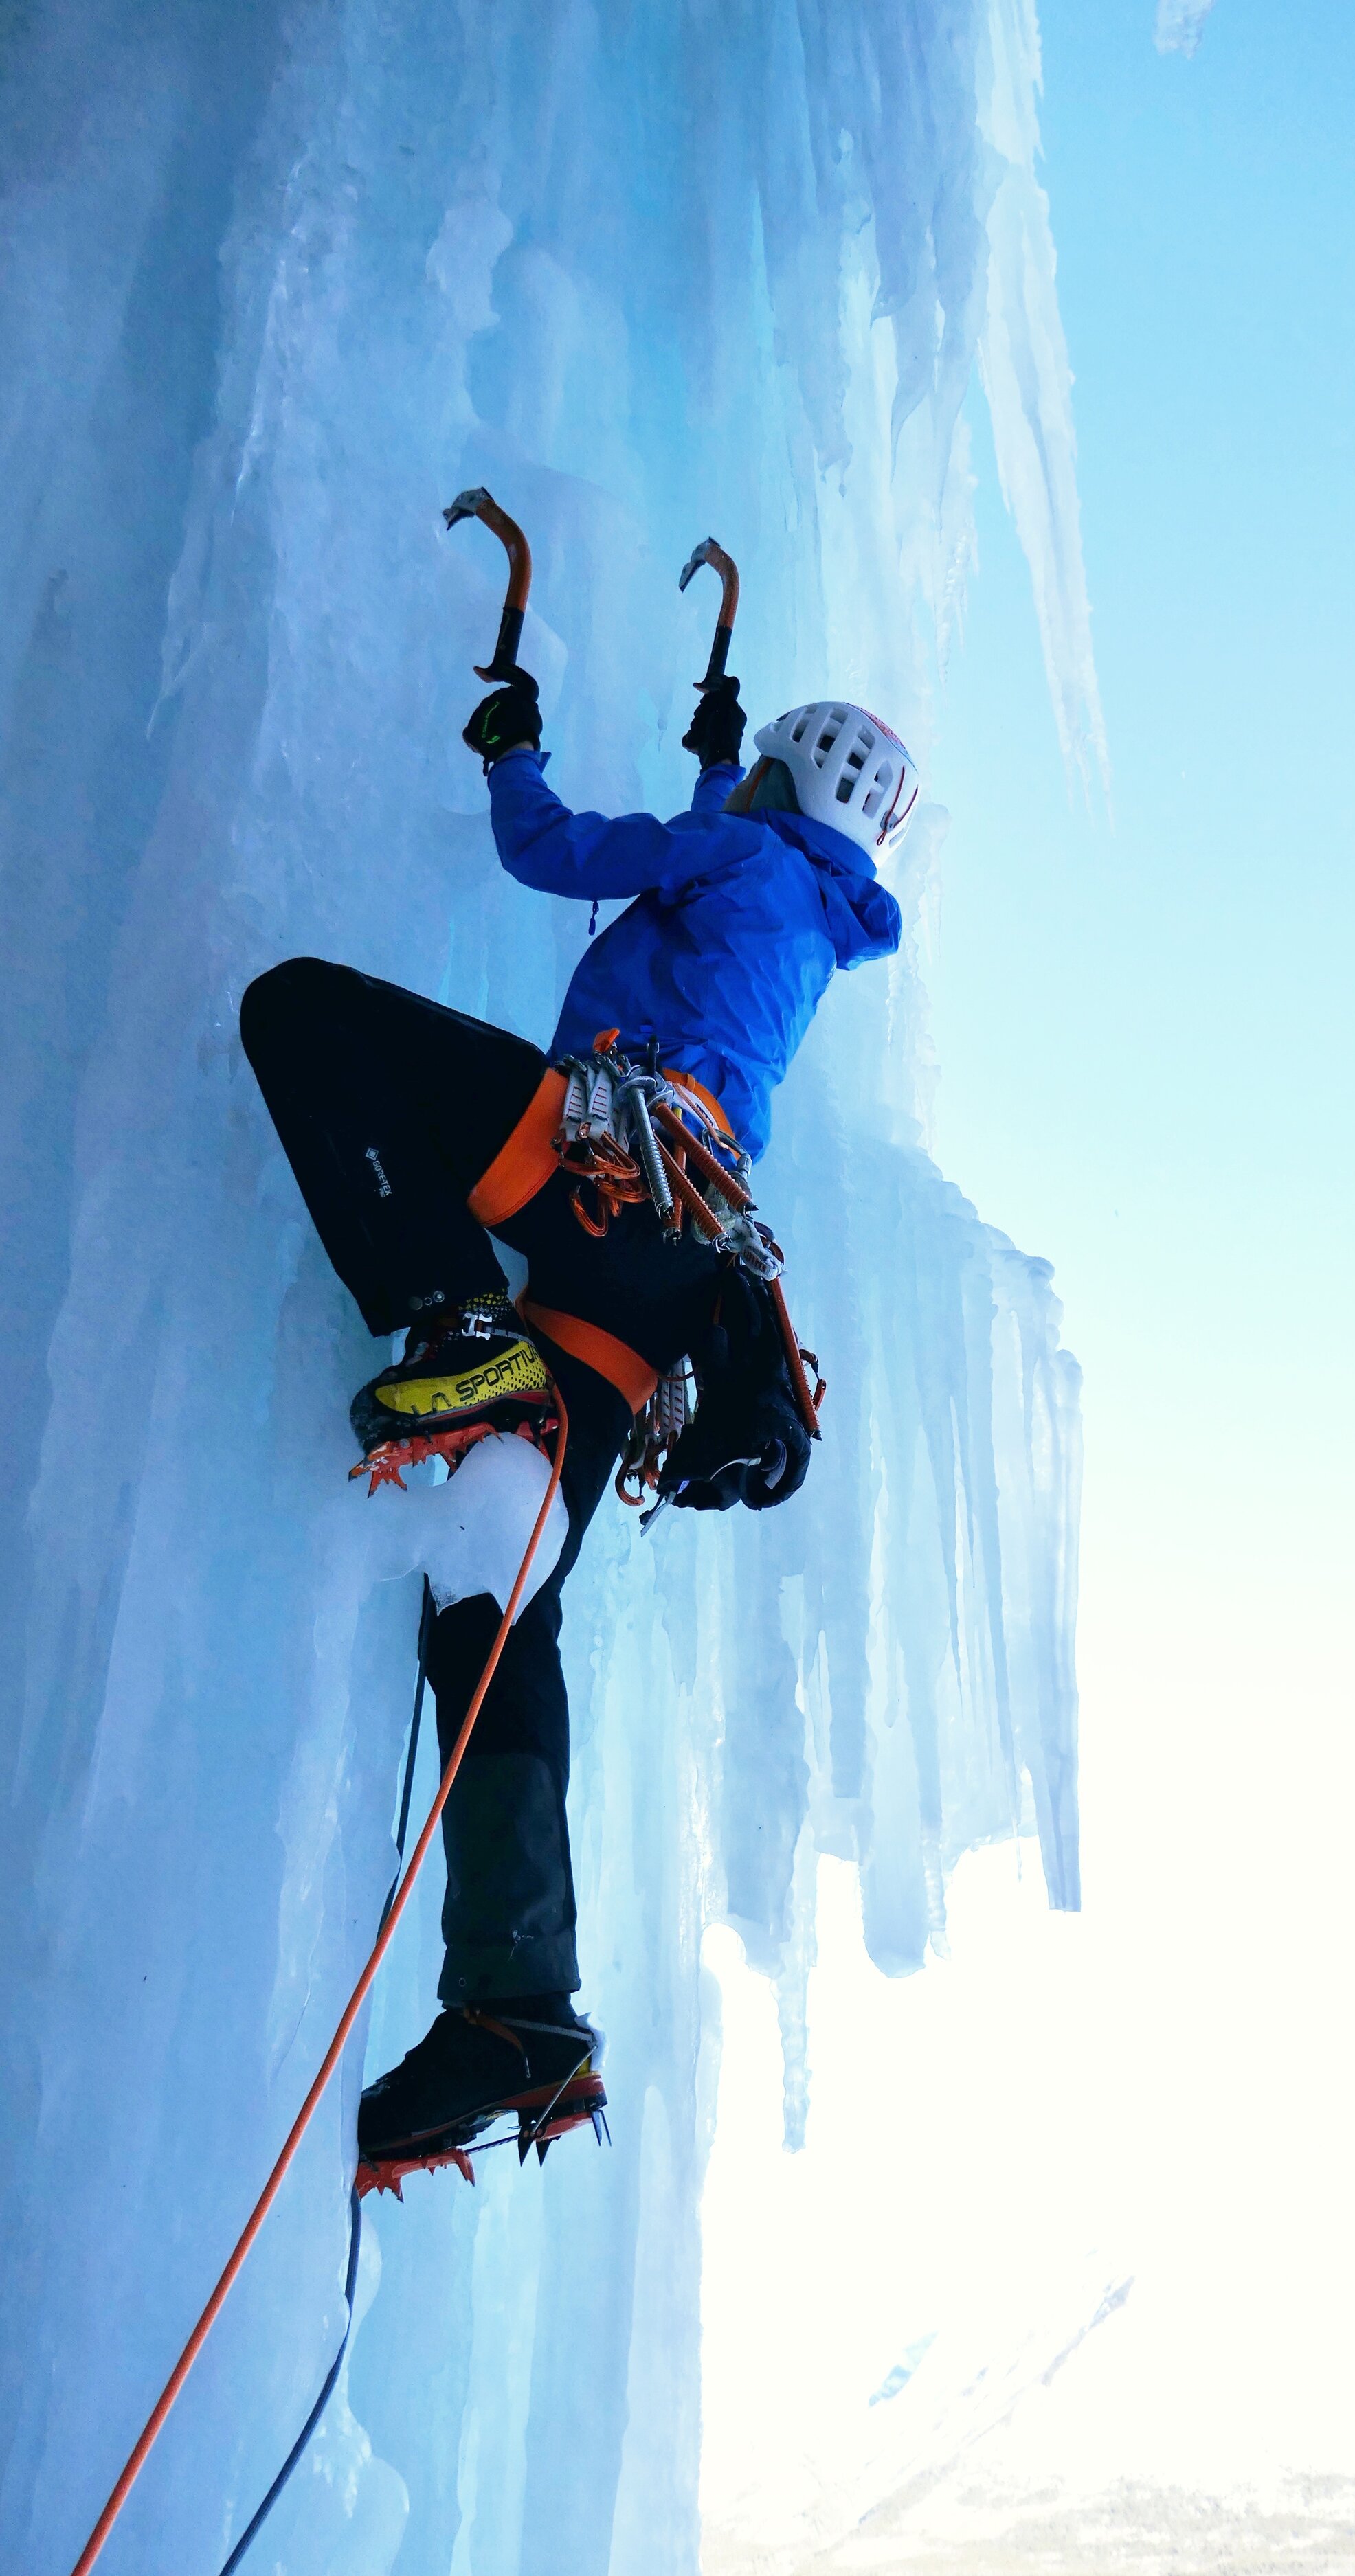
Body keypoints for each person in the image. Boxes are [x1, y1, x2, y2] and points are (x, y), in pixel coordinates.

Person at [240, 667, 916, 2171]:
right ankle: (515, 2007)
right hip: (666, 1277)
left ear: (778, 795)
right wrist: (713, 755)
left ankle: (451, 1319)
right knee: (493, 1601)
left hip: (603, 1173)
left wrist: (512, 752)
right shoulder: (802, 906)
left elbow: (552, 855)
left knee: (304, 1015)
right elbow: (702, 864)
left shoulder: (739, 856)